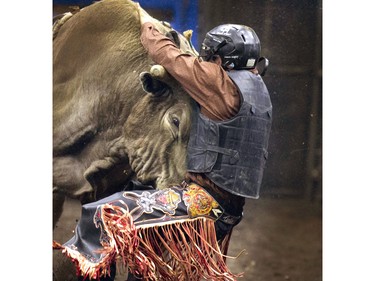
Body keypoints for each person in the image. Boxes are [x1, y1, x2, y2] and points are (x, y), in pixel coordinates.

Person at [54, 11, 272, 281]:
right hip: (227, 211)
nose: (207, 63)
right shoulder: (258, 89)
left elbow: (164, 52)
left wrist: (142, 19)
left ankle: (84, 272)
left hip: (201, 205)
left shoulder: (218, 82)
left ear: (219, 59)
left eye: (210, 58)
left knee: (103, 214)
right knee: (146, 253)